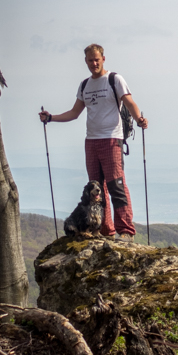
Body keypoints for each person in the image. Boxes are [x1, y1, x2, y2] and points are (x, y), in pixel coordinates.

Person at [39, 44, 148, 241]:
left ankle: (125, 232)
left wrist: (140, 119)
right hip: (91, 141)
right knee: (97, 189)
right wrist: (51, 118)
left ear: (103, 59)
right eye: (90, 60)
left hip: (112, 139)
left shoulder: (115, 79)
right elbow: (74, 113)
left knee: (116, 185)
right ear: (86, 61)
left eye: (97, 59)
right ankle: (105, 231)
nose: (94, 63)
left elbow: (130, 102)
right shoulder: (84, 85)